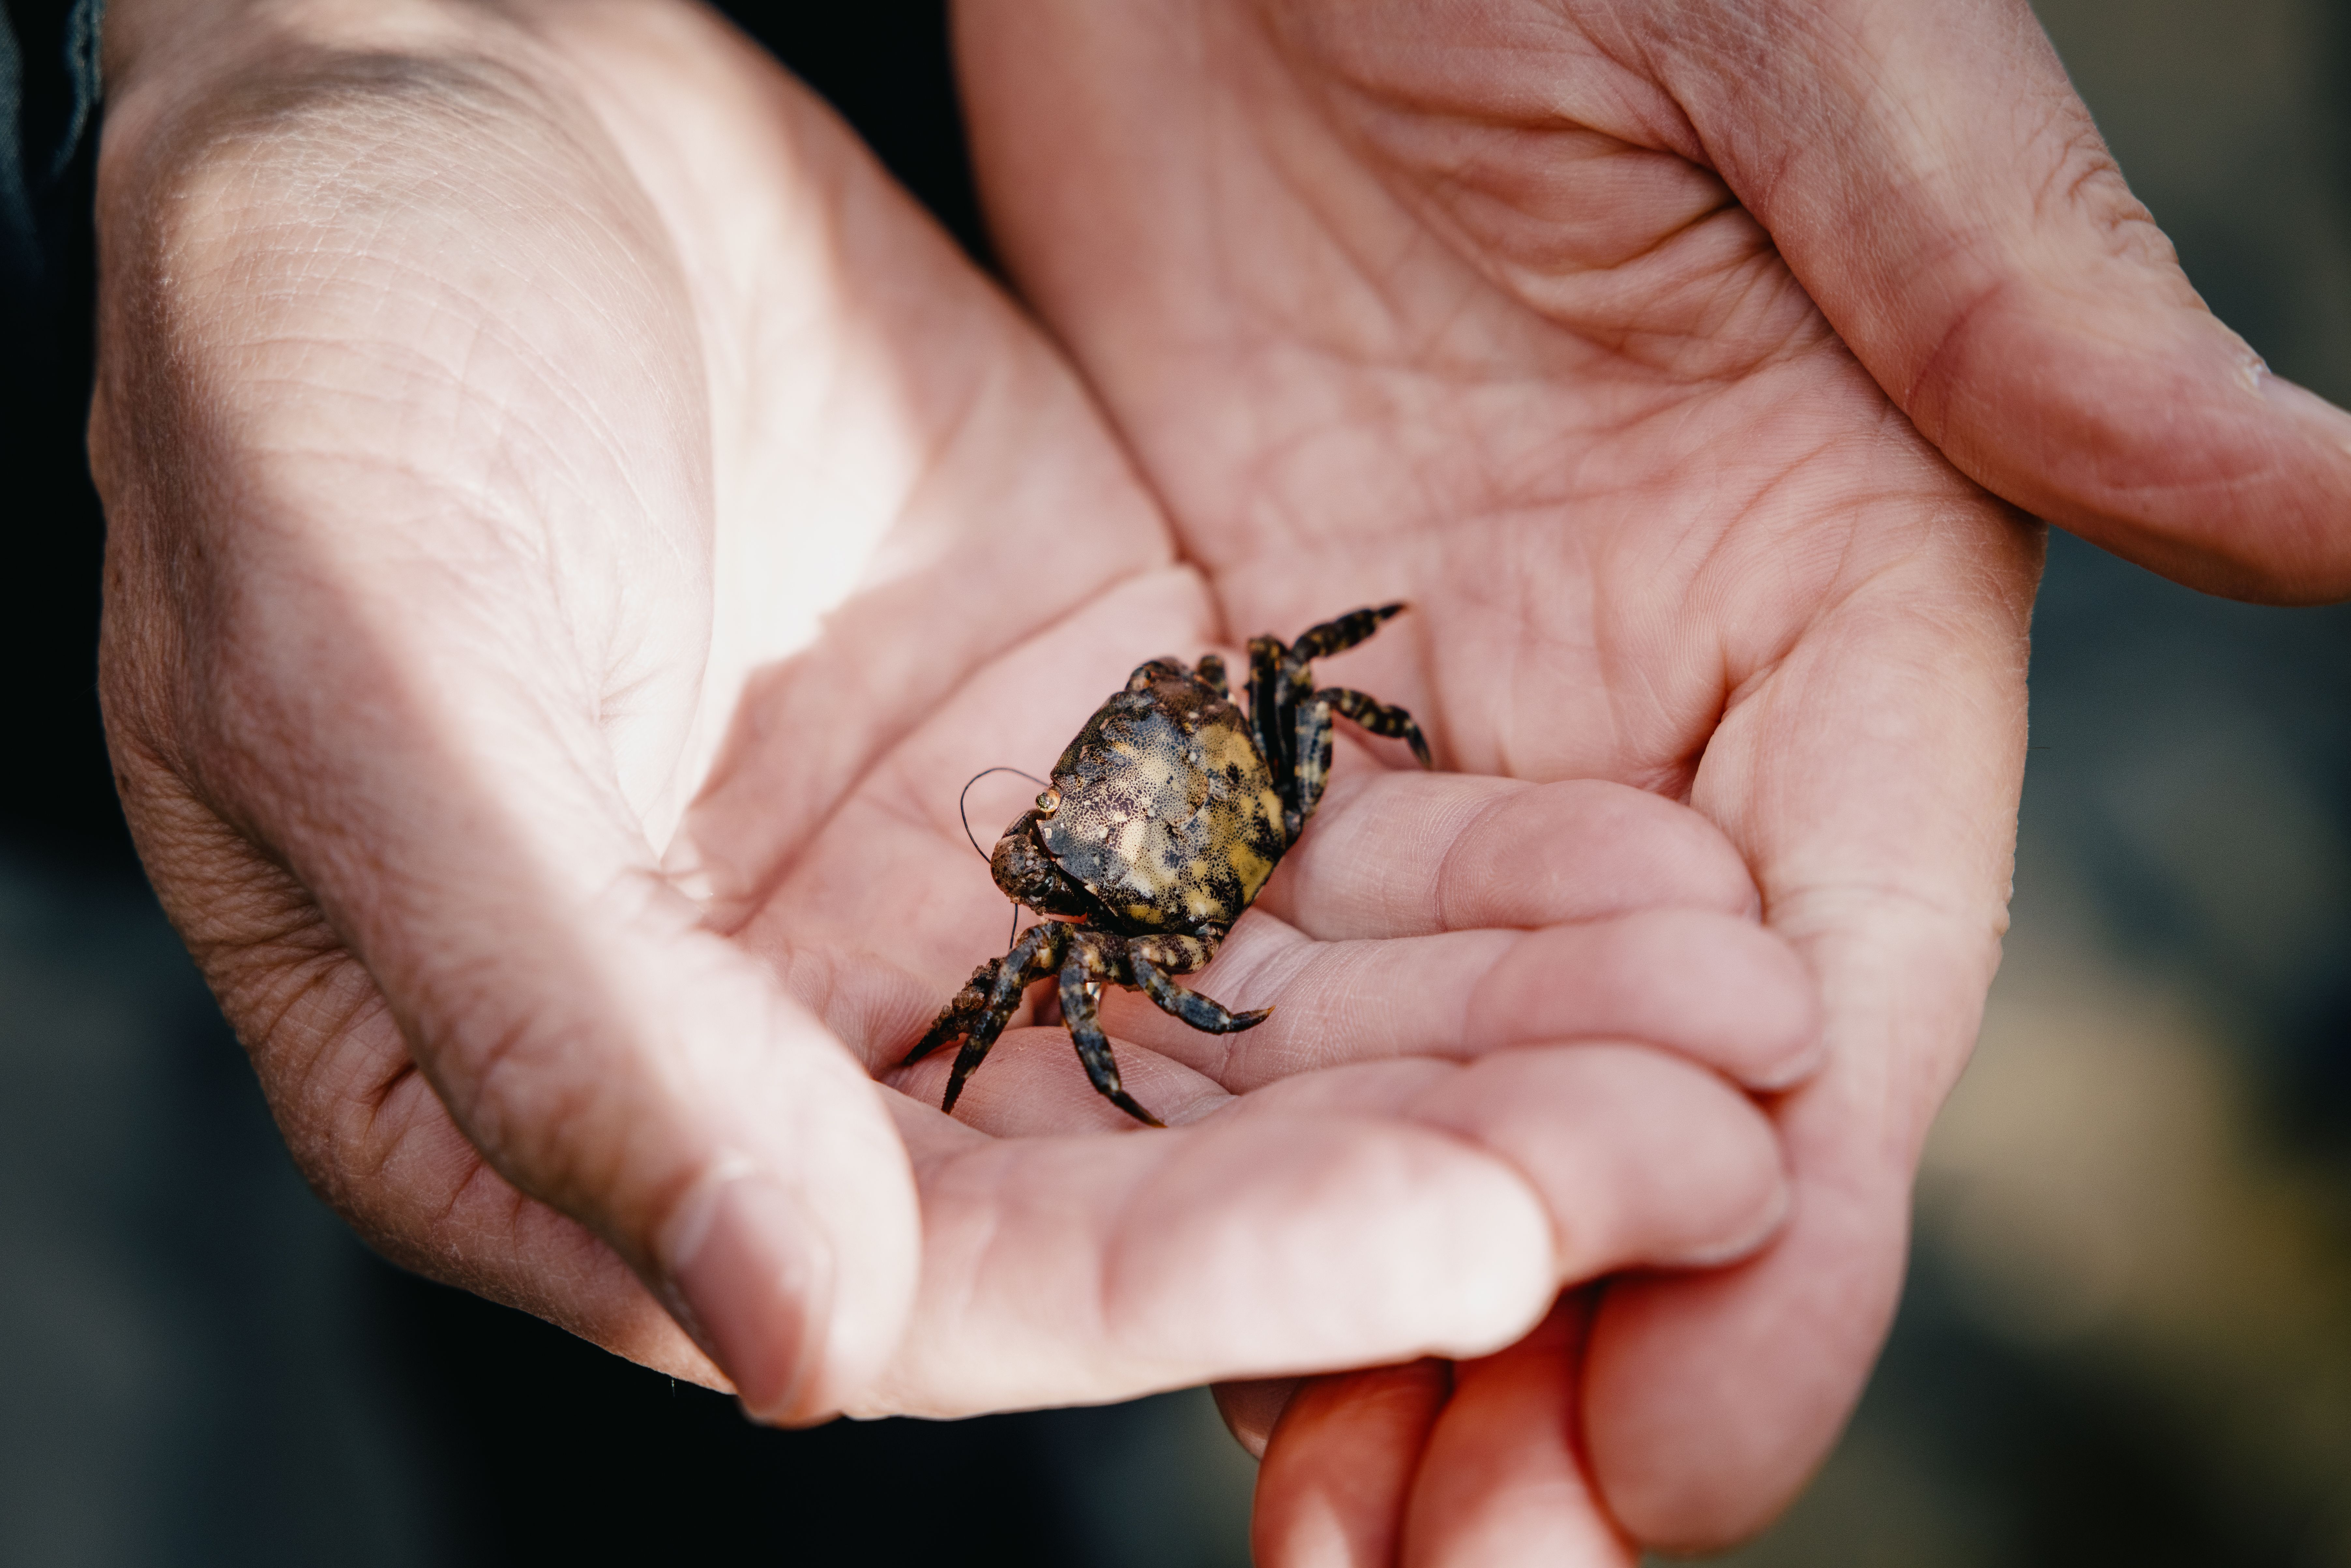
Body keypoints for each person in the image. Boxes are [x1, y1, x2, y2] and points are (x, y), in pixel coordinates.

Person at [80, 0, 2351, 1562]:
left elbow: (1310, 681)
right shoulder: (1064, 933)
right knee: (748, 1241)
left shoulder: (1248, 701)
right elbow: (1043, 1001)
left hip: (997, 142)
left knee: (838, 1401)